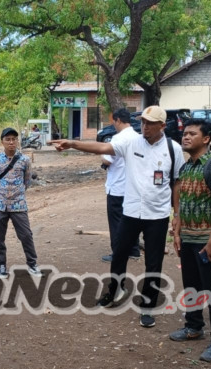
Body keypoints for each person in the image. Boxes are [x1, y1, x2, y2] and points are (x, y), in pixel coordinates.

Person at [50, 105, 185, 328]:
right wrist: (73, 143)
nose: (144, 126)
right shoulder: (130, 142)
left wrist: (177, 213)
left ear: (162, 126)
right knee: (119, 254)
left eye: (150, 123)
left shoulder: (174, 149)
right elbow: (103, 146)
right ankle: (115, 290)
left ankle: (148, 306)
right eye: (142, 122)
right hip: (131, 211)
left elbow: (177, 182)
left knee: (153, 263)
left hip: (157, 215)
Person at [168, 120, 211, 362]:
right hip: (188, 238)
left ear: (206, 139)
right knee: (192, 286)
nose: (186, 138)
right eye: (185, 134)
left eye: (192, 134)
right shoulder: (186, 168)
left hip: (207, 241)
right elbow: (181, 201)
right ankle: (193, 326)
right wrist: (177, 228)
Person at [0, 127, 40, 278]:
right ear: (2, 142)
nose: (11, 142)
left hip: (18, 204)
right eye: (8, 139)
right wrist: (1, 193)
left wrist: (16, 193)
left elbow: (27, 181)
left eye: (14, 139)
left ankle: (32, 264)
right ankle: (1, 266)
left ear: (17, 141)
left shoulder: (24, 160)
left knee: (26, 235)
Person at [100, 108, 141, 263]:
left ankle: (118, 253)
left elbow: (107, 160)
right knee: (132, 219)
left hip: (117, 186)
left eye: (114, 122)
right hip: (133, 187)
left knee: (117, 222)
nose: (114, 125)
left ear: (117, 120)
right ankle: (134, 250)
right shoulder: (138, 138)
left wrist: (101, 153)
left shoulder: (117, 139)